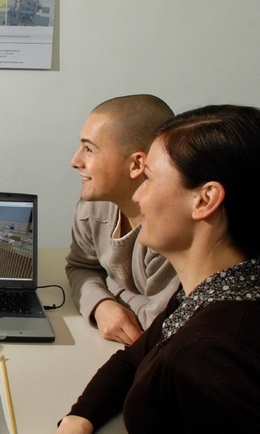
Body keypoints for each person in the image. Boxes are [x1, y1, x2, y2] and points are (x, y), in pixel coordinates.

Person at [57, 104, 260, 434]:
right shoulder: (213, 289)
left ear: (205, 199)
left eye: (149, 178)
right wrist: (80, 417)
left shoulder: (213, 355)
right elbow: (135, 356)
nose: (137, 195)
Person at [66, 94, 178, 345]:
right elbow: (80, 266)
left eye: (89, 149)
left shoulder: (171, 227)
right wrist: (101, 304)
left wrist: (109, 287)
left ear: (137, 163)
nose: (75, 161)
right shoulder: (92, 208)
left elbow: (159, 321)